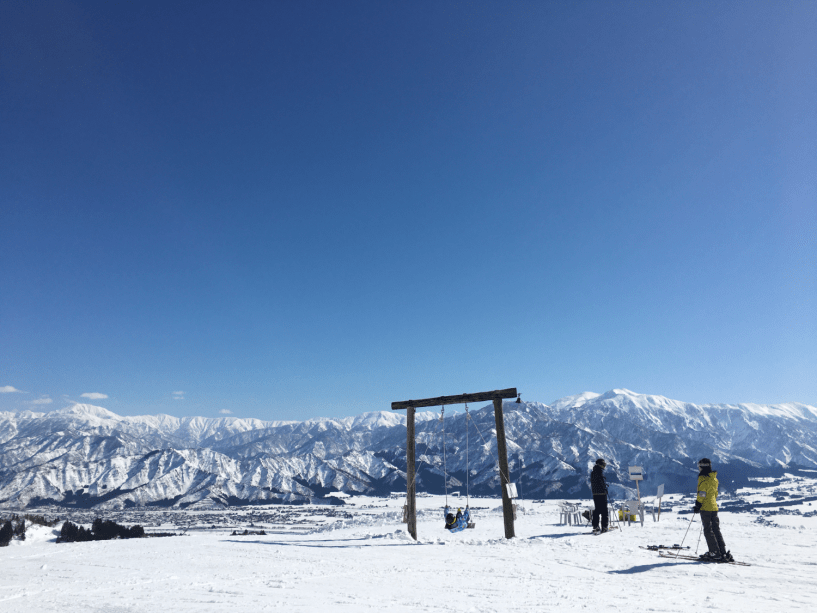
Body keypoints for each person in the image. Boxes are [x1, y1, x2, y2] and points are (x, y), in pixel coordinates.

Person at [694, 458, 734, 562]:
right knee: (716, 529)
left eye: (699, 466)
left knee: (708, 530)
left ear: (703, 467)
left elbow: (702, 493)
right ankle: (722, 551)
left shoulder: (703, 479)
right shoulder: (714, 479)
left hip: (706, 508)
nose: (698, 468)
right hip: (713, 507)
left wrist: (698, 504)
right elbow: (715, 493)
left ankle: (714, 552)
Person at [590, 458, 609, 533]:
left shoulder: (593, 472)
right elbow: (601, 482)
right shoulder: (600, 472)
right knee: (604, 511)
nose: (604, 467)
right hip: (602, 494)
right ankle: (604, 526)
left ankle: (595, 526)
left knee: (597, 510)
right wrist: (605, 487)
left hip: (595, 494)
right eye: (603, 464)